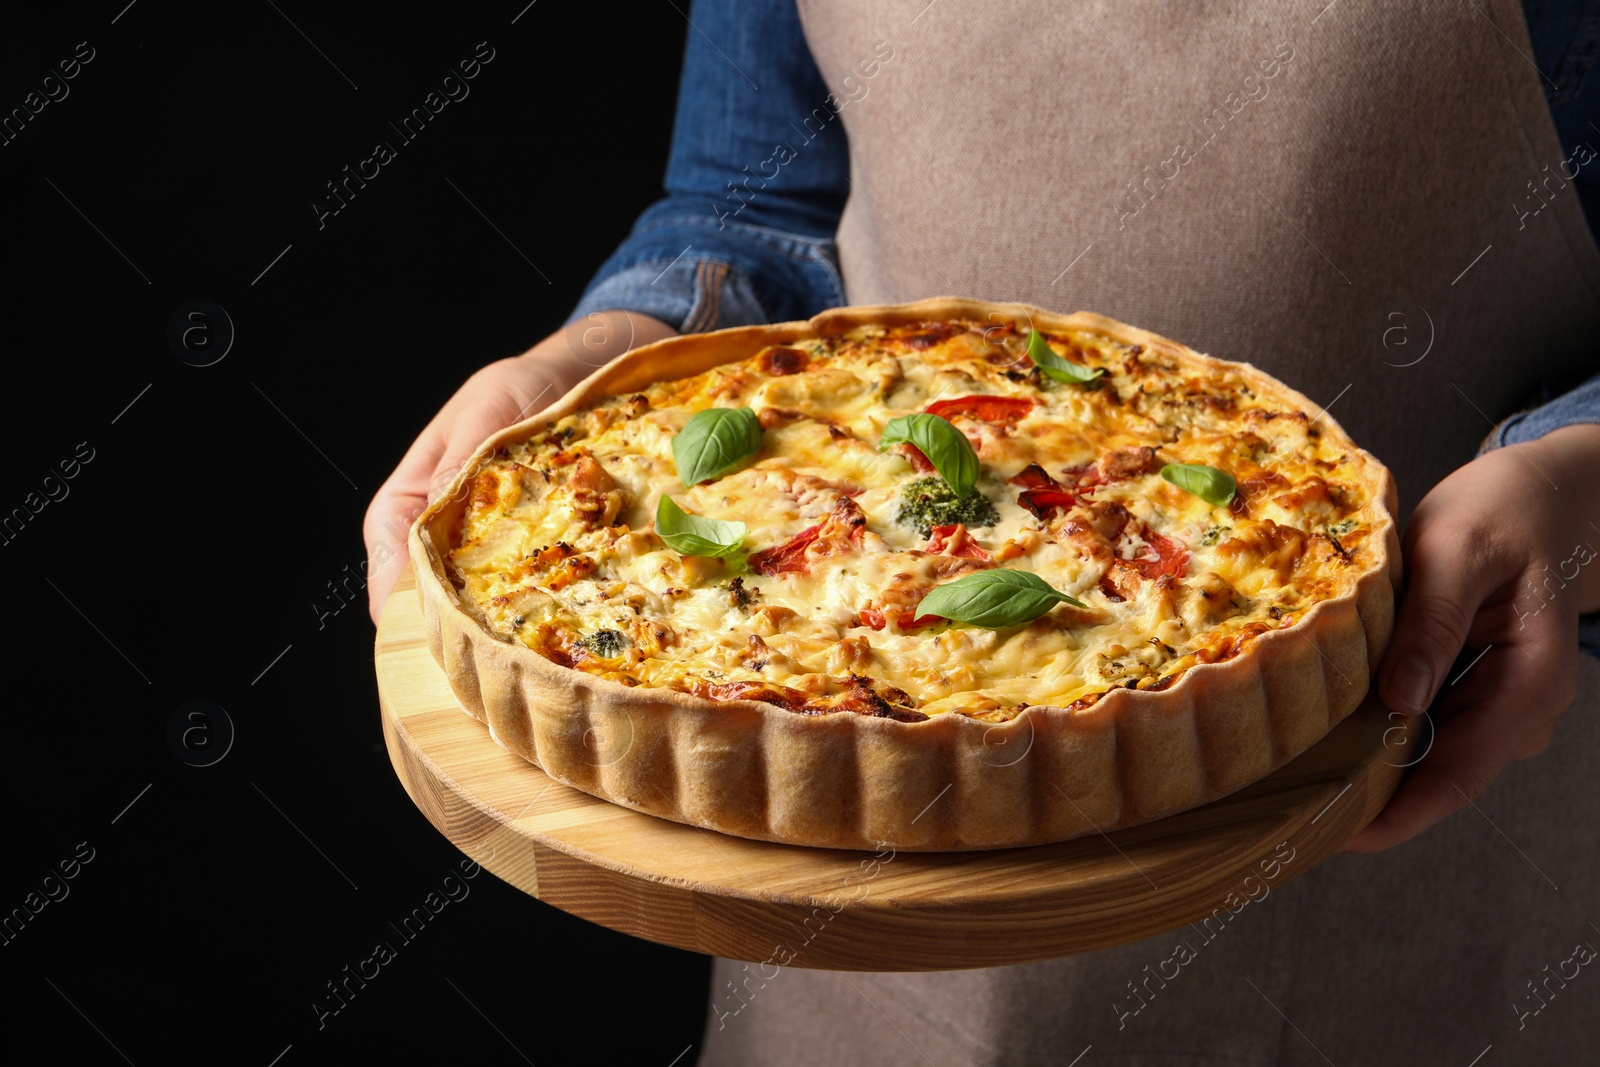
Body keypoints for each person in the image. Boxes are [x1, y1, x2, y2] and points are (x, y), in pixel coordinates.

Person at [367, 0, 1600, 1061]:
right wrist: (604, 358)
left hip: (1437, 810)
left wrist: (1580, 478)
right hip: (856, 943)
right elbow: (751, 208)